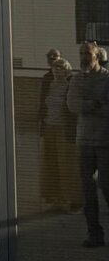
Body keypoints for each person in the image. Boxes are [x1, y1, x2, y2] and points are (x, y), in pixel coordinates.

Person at [67, 42, 109, 246]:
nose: (84, 56)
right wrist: (94, 104)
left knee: (106, 185)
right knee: (87, 190)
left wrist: (93, 107)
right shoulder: (76, 79)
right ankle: (95, 234)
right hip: (84, 140)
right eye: (81, 53)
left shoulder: (107, 78)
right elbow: (72, 105)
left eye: (88, 53)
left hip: (104, 140)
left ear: (97, 56)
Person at [38, 50, 80, 211]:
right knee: (50, 162)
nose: (57, 70)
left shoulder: (71, 85)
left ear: (67, 70)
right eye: (55, 68)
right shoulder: (48, 83)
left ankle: (70, 199)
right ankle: (55, 197)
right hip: (49, 127)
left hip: (64, 129)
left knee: (67, 164)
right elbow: (42, 104)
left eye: (61, 67)